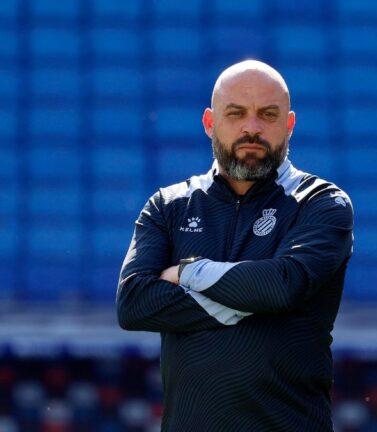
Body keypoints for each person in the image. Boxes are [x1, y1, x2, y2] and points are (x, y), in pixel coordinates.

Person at [117, 60, 353, 431]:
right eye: (236, 113)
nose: (252, 128)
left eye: (268, 115)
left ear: (289, 125)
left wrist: (187, 272)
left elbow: (281, 285)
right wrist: (253, 299)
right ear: (210, 122)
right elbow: (133, 303)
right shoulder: (169, 205)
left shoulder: (321, 202)